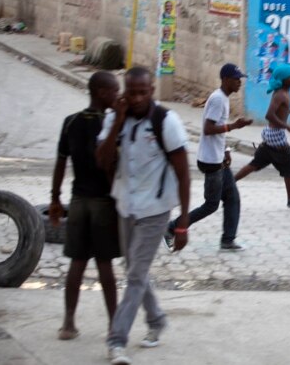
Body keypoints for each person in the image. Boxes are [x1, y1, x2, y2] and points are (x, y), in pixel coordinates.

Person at [96, 67, 191, 364]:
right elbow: (101, 159)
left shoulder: (166, 122)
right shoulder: (115, 118)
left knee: (135, 275)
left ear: (152, 90)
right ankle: (157, 319)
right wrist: (118, 122)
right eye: (131, 92)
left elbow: (183, 173)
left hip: (156, 209)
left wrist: (183, 222)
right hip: (125, 204)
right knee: (133, 269)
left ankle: (117, 341)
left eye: (143, 92)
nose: (137, 98)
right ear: (125, 91)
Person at [49, 71, 121, 341]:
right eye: (115, 90)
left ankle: (68, 323)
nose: (118, 95)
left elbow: (60, 162)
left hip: (78, 201)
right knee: (105, 265)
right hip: (103, 202)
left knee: (77, 263)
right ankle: (114, 326)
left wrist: (56, 198)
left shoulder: (71, 122)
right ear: (102, 92)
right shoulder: (112, 125)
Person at [164, 63, 253, 252]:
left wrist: (226, 149)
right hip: (211, 161)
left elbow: (218, 129)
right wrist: (234, 127)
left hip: (217, 158)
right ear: (226, 79)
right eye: (237, 79)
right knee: (211, 205)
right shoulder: (218, 99)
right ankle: (172, 227)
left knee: (232, 198)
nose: (239, 83)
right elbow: (208, 129)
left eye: (240, 79)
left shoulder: (224, 99)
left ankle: (228, 239)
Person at [234, 64, 290, 209]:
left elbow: (282, 108)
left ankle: (229, 182)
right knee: (288, 165)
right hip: (275, 134)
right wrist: (288, 127)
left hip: (272, 134)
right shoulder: (280, 93)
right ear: (284, 80)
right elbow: (269, 115)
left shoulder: (285, 93)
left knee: (255, 164)